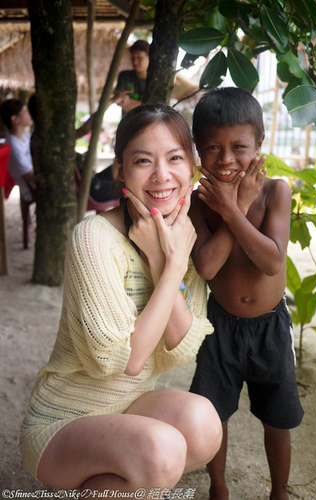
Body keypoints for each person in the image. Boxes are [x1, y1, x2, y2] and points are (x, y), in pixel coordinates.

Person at [19, 104, 222, 494]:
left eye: (175, 158)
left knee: (203, 424)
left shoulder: (185, 236)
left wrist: (169, 259)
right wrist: (172, 266)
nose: (162, 175)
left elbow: (180, 348)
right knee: (160, 450)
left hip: (129, 409)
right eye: (144, 160)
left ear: (192, 167)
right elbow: (122, 359)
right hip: (63, 420)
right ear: (121, 170)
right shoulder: (93, 237)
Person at [189, 87, 304, 500]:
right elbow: (206, 266)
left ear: (259, 145)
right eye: (212, 148)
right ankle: (218, 488)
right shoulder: (199, 205)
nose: (225, 159)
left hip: (270, 328)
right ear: (198, 151)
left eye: (239, 146)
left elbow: (272, 262)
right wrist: (229, 205)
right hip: (218, 326)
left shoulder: (276, 191)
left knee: (278, 418)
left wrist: (236, 208)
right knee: (211, 415)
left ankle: (279, 492)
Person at [0, 98, 35, 202]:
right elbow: (32, 179)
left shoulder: (25, 135)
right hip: (33, 190)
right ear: (15, 119)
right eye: (25, 111)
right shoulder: (14, 148)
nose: (29, 114)